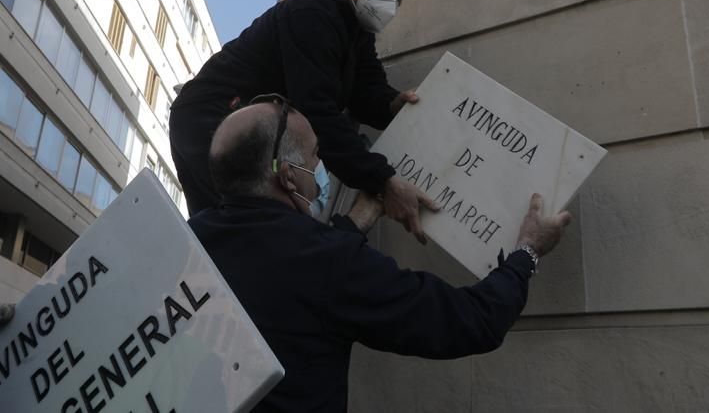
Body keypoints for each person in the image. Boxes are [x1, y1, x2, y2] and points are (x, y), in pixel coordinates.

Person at [189, 96, 571, 412]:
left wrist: (360, 217)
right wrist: (527, 252)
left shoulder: (188, 242)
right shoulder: (328, 262)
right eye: (315, 155)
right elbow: (468, 321)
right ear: (288, 177)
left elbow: (289, 269)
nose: (321, 168)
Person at [171, 0, 437, 241]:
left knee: (259, 234)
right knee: (242, 234)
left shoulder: (357, 30)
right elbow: (317, 115)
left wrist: (393, 105)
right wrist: (383, 181)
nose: (390, 4)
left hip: (255, 130)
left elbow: (367, 92)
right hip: (212, 121)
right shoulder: (311, 15)